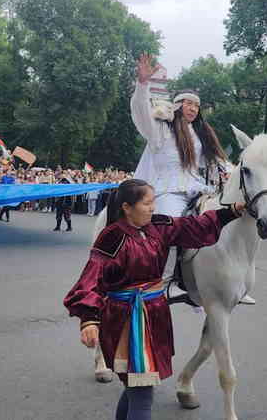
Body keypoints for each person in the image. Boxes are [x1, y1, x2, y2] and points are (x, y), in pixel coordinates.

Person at [63, 180, 246, 420]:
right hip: (127, 322)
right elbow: (91, 279)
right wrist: (88, 320)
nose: (152, 208)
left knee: (134, 389)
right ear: (127, 207)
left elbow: (195, 225)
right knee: (142, 392)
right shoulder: (112, 237)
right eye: (147, 203)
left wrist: (232, 210)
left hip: (154, 316)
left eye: (153, 203)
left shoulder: (158, 226)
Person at [129, 55, 249, 304]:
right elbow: (140, 114)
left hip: (198, 190)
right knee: (170, 227)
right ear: (177, 105)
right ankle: (165, 283)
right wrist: (142, 85)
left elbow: (219, 161)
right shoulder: (161, 128)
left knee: (226, 219)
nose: (193, 108)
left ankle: (232, 284)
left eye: (196, 105)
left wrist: (241, 169)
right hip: (167, 192)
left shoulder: (201, 134)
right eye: (188, 104)